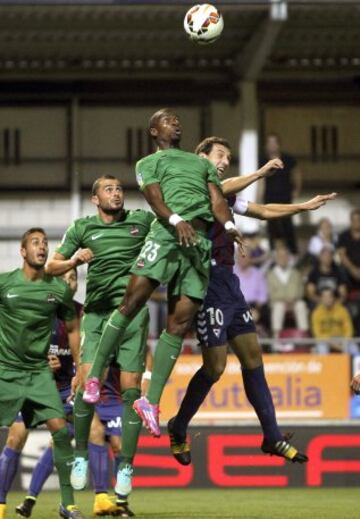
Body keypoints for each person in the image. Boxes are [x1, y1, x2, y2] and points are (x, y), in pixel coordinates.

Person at [167, 136, 336, 466]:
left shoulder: (225, 196)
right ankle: (178, 425)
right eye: (220, 154)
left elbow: (261, 209)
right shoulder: (197, 187)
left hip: (230, 284)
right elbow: (225, 184)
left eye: (228, 156)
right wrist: (260, 173)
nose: (224, 160)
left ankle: (271, 436)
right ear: (200, 157)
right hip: (207, 282)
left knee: (253, 356)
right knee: (215, 367)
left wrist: (302, 206)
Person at [82, 109, 243, 440]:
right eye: (168, 120)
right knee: (131, 302)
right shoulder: (148, 163)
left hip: (197, 243)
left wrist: (228, 226)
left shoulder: (200, 164)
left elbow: (217, 200)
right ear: (154, 131)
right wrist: (174, 221)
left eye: (177, 119)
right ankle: (95, 375)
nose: (176, 122)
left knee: (179, 324)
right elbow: (155, 198)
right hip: (167, 234)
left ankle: (150, 402)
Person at [46, 175, 153, 514]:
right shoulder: (82, 228)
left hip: (133, 314)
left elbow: (172, 221)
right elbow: (51, 265)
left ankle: (126, 467)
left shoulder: (141, 221)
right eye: (109, 189)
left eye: (119, 188)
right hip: (97, 315)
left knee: (131, 392)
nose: (116, 193)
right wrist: (75, 260)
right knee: (86, 385)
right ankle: (80, 456)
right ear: (95, 199)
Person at [14, 269, 124, 518]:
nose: (69, 282)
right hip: (48, 388)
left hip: (76, 389)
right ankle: (30, 499)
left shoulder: (82, 313)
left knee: (85, 434)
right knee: (51, 440)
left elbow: (87, 350)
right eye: (65, 278)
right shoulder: (42, 312)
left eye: (73, 278)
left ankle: (98, 498)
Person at [0, 228, 85, 519]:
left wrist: (78, 369)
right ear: (23, 251)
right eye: (35, 243)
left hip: (38, 375)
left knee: (61, 433)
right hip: (6, 372)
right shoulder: (5, 284)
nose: (42, 247)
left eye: (45, 243)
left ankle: (67, 504)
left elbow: (73, 329)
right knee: (14, 439)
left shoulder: (58, 290)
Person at [260, 133, 303, 254]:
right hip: (269, 198)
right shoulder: (263, 160)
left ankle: (293, 252)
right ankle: (274, 252)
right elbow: (261, 180)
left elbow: (297, 174)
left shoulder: (288, 159)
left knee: (287, 225)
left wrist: (297, 190)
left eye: (274, 142)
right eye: (269, 143)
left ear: (278, 144)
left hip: (285, 197)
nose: (272, 145)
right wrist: (258, 198)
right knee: (271, 227)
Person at [267, 247, 309, 338]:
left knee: (301, 305)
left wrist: (293, 300)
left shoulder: (296, 273)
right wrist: (285, 300)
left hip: (295, 301)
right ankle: (276, 338)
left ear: (288, 258)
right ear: (276, 258)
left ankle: (303, 336)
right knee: (278, 307)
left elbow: (300, 291)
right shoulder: (270, 275)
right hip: (278, 302)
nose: (283, 258)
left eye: (285, 256)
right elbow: (270, 294)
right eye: (280, 256)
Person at [311, 288, 355, 354]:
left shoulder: (342, 310)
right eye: (325, 297)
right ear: (321, 298)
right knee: (322, 348)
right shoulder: (316, 313)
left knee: (354, 349)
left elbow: (349, 330)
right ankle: (326, 364)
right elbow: (318, 334)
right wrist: (332, 344)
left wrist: (344, 341)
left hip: (341, 338)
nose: (327, 299)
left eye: (329, 296)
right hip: (325, 340)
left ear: (333, 298)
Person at [338, 208, 360, 335]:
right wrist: (354, 270)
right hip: (349, 273)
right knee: (341, 271)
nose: (357, 222)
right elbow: (342, 256)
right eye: (354, 220)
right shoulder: (344, 236)